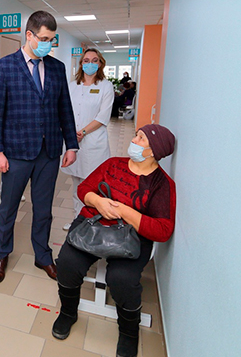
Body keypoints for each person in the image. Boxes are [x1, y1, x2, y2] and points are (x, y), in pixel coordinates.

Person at [53, 124, 176, 357]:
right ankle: (68, 312)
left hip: (131, 237)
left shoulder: (162, 184)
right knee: (67, 263)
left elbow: (163, 230)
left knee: (122, 279)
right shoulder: (113, 164)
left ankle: (129, 332)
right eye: (136, 135)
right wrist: (98, 202)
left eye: (140, 138)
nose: (134, 140)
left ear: (154, 151)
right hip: (92, 225)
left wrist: (125, 212)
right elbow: (84, 188)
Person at [0, 10, 79, 284]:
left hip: (48, 152)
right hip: (15, 153)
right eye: (44, 39)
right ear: (29, 35)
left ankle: (43, 255)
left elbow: (65, 109)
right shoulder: (4, 67)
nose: (48, 44)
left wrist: (71, 145)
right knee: (8, 208)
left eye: (52, 40)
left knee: (43, 209)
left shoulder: (56, 68)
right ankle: (1, 254)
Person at [60, 48, 114, 230]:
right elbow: (64, 110)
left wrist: (82, 132)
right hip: (73, 142)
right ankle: (77, 221)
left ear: (100, 63)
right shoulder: (72, 86)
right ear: (81, 63)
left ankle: (91, 224)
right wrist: (70, 133)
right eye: (86, 60)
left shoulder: (106, 86)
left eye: (94, 60)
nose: (90, 63)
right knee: (77, 184)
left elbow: (103, 116)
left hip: (93, 142)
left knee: (92, 186)